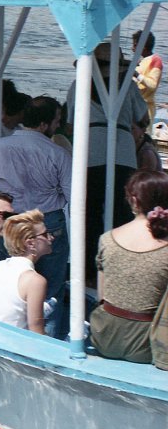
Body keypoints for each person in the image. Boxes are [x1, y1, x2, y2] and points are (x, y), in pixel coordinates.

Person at [0, 94, 71, 336]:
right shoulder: (58, 154)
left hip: (11, 220)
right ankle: (48, 343)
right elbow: (73, 197)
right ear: (44, 124)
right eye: (56, 121)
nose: (58, 126)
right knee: (51, 292)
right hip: (48, 222)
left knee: (8, 280)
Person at [65, 42, 149, 285]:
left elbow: (69, 123)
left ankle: (88, 272)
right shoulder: (127, 87)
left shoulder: (79, 85)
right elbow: (143, 118)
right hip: (123, 152)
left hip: (90, 150)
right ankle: (119, 269)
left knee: (89, 213)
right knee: (122, 212)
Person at [90, 170, 168, 363]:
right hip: (148, 343)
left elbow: (102, 295)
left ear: (133, 200)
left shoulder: (107, 239)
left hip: (105, 335)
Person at [0, 210, 53, 335]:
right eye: (45, 235)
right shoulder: (35, 281)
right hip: (9, 343)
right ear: (30, 243)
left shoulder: (0, 266)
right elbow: (37, 334)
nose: (51, 237)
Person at [132, 30, 162, 125]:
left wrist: (136, 74)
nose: (132, 48)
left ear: (143, 46)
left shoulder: (155, 60)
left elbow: (152, 85)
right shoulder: (140, 61)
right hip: (134, 107)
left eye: (135, 45)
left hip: (146, 110)